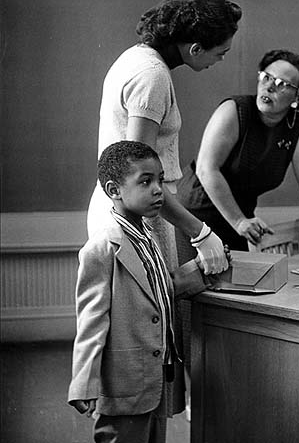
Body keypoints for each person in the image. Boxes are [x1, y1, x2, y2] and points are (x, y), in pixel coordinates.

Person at [68, 141, 220, 443]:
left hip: (156, 378)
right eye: (145, 181)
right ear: (114, 190)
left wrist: (200, 270)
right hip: (125, 382)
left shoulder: (148, 237)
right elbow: (91, 323)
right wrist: (84, 383)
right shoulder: (101, 249)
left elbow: (158, 292)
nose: (158, 190)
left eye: (160, 180)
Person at [87, 0, 242, 277]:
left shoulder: (135, 58)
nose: (220, 60)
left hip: (131, 209)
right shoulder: (152, 75)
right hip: (137, 215)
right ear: (195, 48)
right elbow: (139, 176)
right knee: (149, 304)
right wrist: (200, 232)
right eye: (221, 53)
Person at [177, 49, 299, 264]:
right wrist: (239, 221)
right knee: (197, 280)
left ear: (298, 96)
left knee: (235, 280)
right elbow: (207, 170)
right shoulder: (234, 110)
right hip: (196, 213)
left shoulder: (297, 129)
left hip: (241, 219)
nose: (269, 87)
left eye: (281, 83)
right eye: (266, 77)